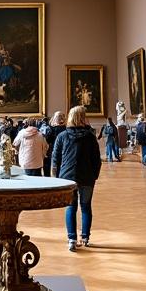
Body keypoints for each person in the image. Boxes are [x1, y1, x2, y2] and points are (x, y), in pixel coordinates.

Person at [51, 106, 102, 251]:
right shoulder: (90, 137)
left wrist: (56, 178)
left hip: (67, 177)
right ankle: (85, 237)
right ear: (83, 118)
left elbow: (56, 159)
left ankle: (71, 239)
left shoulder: (62, 136)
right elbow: (96, 160)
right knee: (86, 207)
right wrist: (94, 175)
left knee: (70, 207)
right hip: (87, 177)